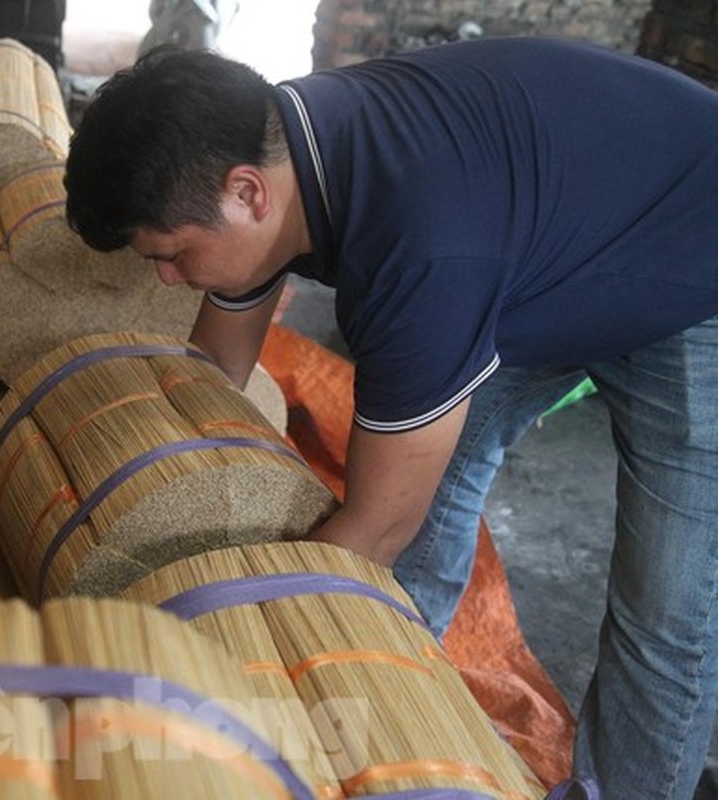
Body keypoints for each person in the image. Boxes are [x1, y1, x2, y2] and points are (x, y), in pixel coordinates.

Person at [63, 37, 718, 797]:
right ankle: (391, 685)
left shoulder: (418, 252)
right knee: (432, 483)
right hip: (544, 248)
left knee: (667, 604)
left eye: (171, 255)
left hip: (692, 254)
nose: (169, 278)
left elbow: (374, 531)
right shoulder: (276, 146)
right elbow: (212, 381)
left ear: (247, 195)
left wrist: (224, 667)